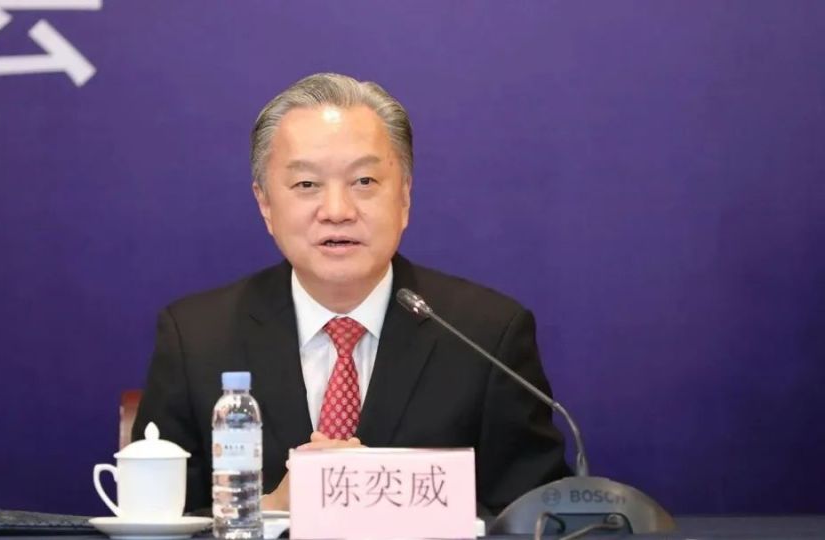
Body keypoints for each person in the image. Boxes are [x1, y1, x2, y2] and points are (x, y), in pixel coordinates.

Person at [132, 72, 569, 516]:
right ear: (265, 204)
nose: (337, 211)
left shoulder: (486, 335)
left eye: (364, 181)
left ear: (405, 197)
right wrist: (265, 511)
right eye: (306, 185)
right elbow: (153, 520)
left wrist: (392, 504)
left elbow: (541, 519)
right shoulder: (197, 338)